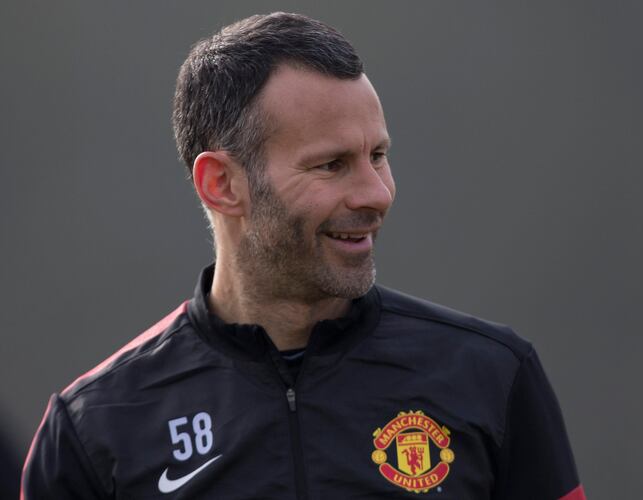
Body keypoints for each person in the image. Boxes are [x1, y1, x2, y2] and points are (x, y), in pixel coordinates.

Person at [22, 12, 585, 499]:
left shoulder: (491, 376)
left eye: (379, 155)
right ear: (221, 184)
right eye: (331, 165)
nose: (376, 194)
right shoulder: (95, 426)